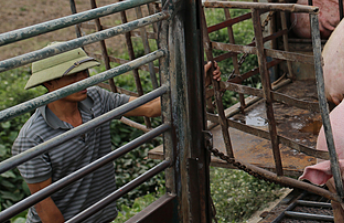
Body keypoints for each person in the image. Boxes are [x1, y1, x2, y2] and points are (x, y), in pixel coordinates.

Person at [12, 45, 221, 223]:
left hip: (101, 216)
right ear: (49, 84)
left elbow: (149, 107)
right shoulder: (32, 138)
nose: (83, 79)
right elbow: (44, 206)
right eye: (72, 75)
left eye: (84, 72)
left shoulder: (95, 99)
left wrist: (198, 82)